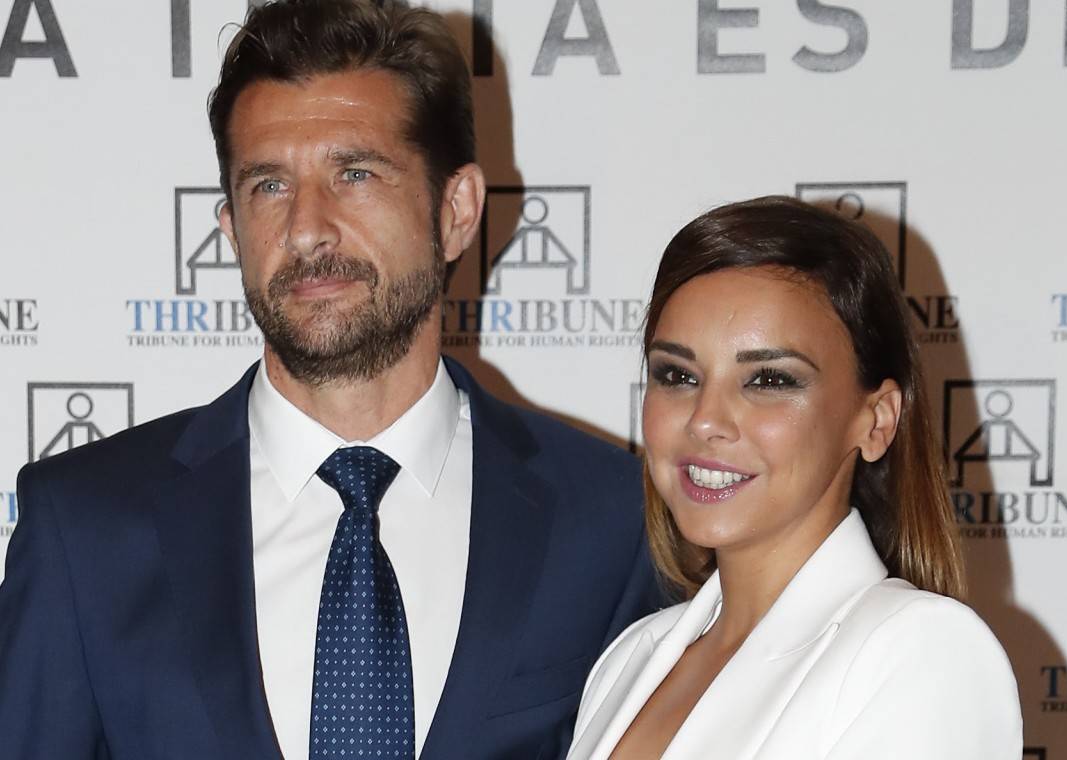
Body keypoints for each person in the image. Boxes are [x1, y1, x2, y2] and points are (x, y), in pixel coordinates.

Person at [0, 2, 659, 758]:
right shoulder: (85, 529)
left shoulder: (609, 522)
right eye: (268, 186)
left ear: (457, 210)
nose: (307, 228)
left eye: (355, 173)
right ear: (231, 229)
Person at [566, 196, 1022, 759]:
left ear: (876, 421)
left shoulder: (919, 651)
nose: (705, 419)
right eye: (678, 375)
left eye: (769, 380)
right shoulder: (630, 658)